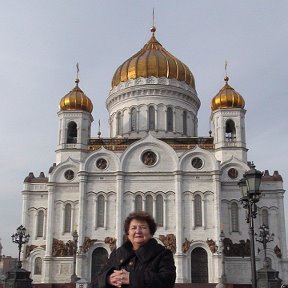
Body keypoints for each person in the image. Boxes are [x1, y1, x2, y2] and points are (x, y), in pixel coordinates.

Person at [93, 211, 176, 288]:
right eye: (133, 228)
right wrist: (108, 279)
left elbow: (167, 281)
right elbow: (96, 281)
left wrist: (131, 278)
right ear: (128, 234)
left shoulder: (162, 254)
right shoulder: (118, 254)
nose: (138, 231)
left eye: (143, 227)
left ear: (151, 233)